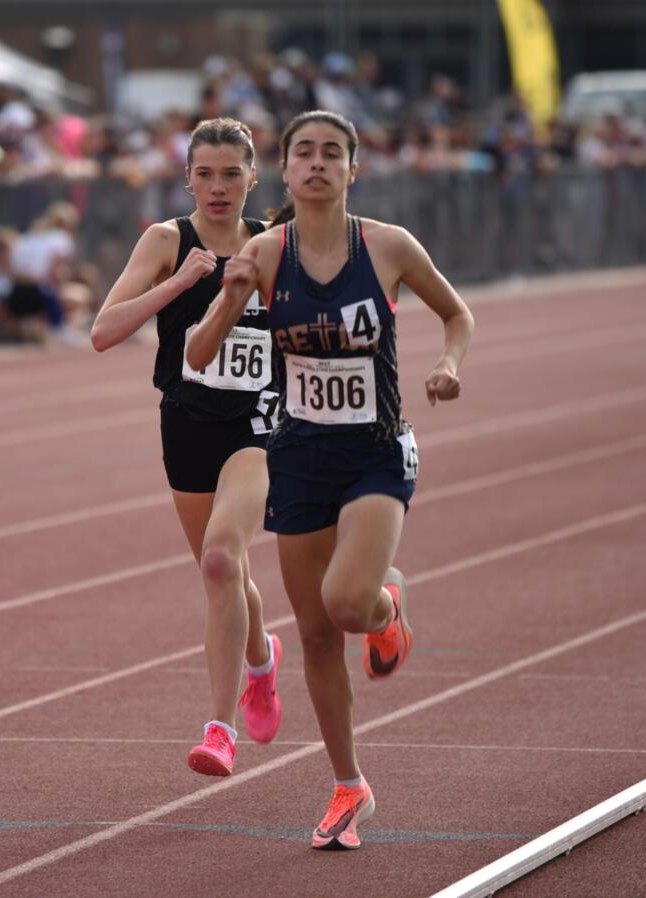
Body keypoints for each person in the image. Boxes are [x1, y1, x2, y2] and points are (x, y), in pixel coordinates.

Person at [187, 109, 474, 850]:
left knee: (346, 604)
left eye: (332, 154)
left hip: (376, 449)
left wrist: (448, 365)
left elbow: (457, 314)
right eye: (304, 153)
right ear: (285, 171)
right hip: (300, 453)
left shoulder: (387, 247)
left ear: (353, 170)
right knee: (314, 634)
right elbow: (197, 354)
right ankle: (349, 786)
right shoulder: (265, 251)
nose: (317, 164)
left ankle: (385, 606)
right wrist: (231, 292)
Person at [90, 117, 285, 779]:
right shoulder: (167, 240)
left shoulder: (274, 245)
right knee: (226, 573)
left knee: (221, 560)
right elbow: (102, 331)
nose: (219, 186)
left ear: (254, 178)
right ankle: (261, 662)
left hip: (260, 426)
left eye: (232, 173)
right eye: (205, 173)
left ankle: (219, 728)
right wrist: (179, 282)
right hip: (186, 425)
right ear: (187, 179)